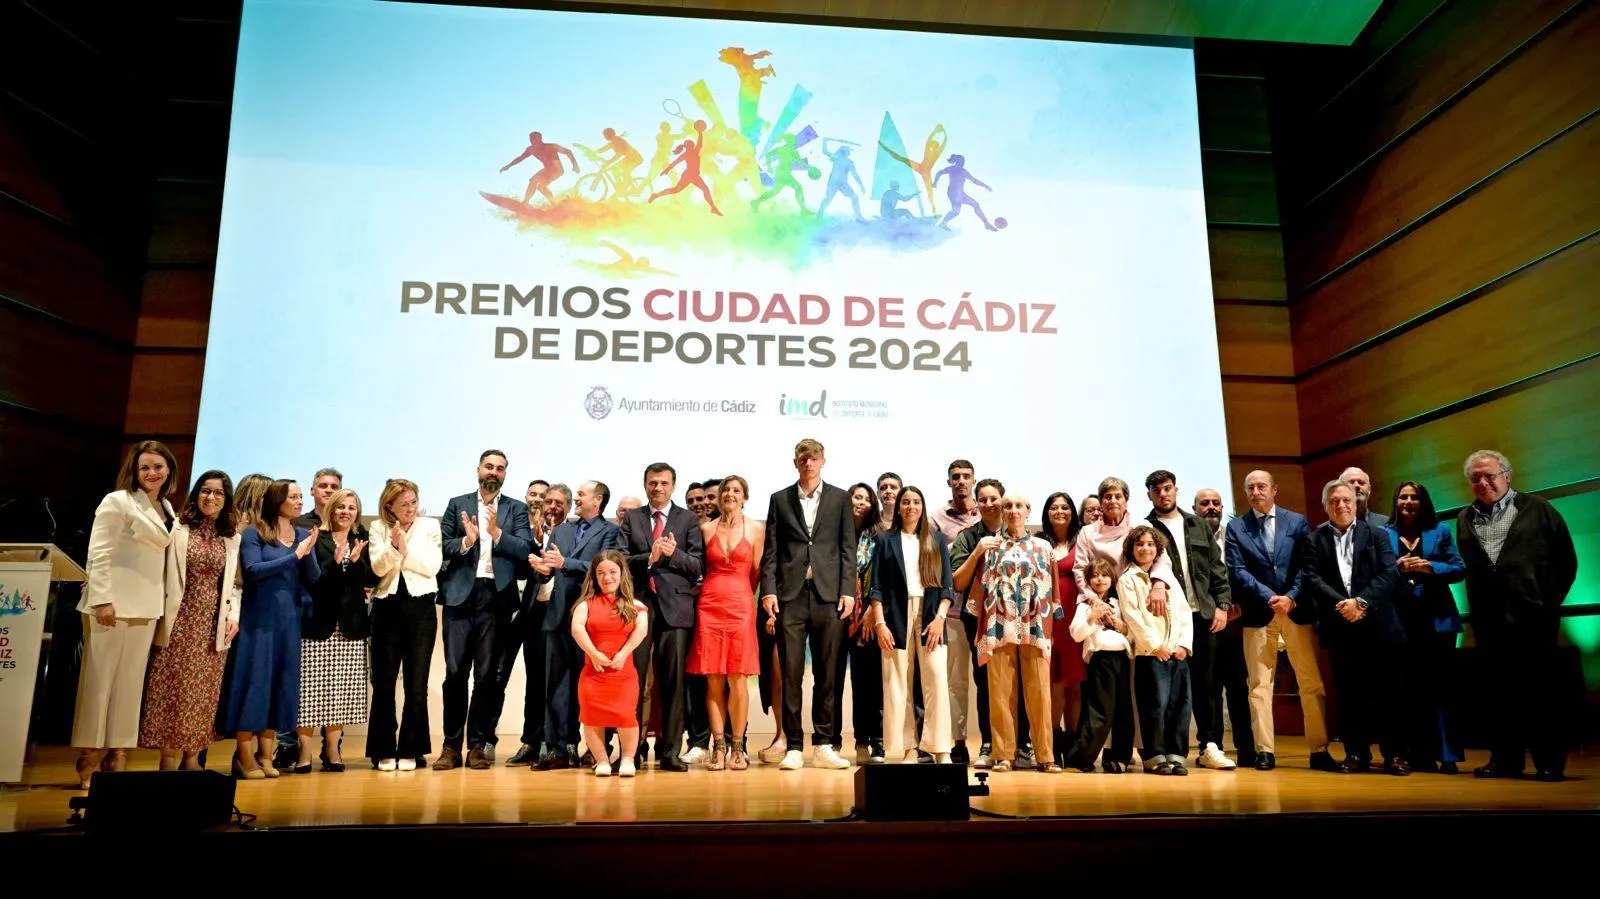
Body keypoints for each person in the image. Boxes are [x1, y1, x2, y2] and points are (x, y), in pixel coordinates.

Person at [1456, 450, 1577, 781]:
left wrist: (1547, 602)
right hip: (1490, 623)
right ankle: (1505, 759)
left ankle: (1549, 763)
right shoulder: (1464, 518)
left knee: (1541, 694)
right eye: (1476, 478)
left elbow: (1566, 560)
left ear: (1506, 475)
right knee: (1499, 694)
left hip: (1534, 620)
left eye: (1490, 475)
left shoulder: (1537, 509)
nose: (1483, 482)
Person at [72, 441, 181, 788]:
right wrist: (102, 599)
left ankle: (118, 754)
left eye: (158, 467)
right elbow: (98, 552)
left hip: (147, 607)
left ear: (169, 472)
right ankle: (88, 757)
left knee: (131, 687)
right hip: (112, 606)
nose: (152, 473)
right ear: (134, 471)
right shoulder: (117, 501)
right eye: (145, 467)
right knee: (99, 682)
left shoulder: (167, 508)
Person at [1225, 470, 1333, 772]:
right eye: (1250, 487)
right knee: (1259, 686)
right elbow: (1237, 570)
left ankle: (1319, 749)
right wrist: (1270, 596)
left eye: (1261, 486)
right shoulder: (1236, 527)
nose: (1255, 491)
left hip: (1296, 611)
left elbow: (1306, 565)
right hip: (1260, 614)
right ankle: (1265, 751)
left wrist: (1291, 597)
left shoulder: (1296, 521)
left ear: (1274, 489)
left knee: (1310, 683)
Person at [759, 438, 856, 771]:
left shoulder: (841, 498)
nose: (808, 463)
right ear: (795, 462)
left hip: (829, 594)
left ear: (823, 461)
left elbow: (847, 549)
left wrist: (849, 591)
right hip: (791, 595)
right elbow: (771, 550)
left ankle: (825, 743)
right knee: (790, 672)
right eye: (803, 457)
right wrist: (769, 591)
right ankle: (794, 745)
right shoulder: (779, 499)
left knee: (828, 672)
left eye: (813, 457)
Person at [436, 450, 534, 770]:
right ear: (478, 469)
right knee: (454, 674)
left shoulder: (516, 509)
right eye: (489, 467)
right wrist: (466, 541)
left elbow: (524, 549)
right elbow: (444, 544)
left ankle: (477, 745)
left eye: (500, 469)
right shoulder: (457, 504)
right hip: (460, 597)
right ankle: (451, 746)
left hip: (496, 598)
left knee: (486, 677)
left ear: (505, 474)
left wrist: (497, 535)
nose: (494, 472)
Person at [139, 468, 239, 774]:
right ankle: (168, 760)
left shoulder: (231, 536)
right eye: (206, 491)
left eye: (219, 492)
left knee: (204, 693)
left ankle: (192, 758)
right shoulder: (177, 528)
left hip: (213, 623)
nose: (212, 497)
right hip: (179, 618)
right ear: (197, 494)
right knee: (171, 689)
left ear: (226, 499)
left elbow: (235, 583)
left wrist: (234, 615)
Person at [1303, 480, 1404, 774]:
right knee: (1349, 696)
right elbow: (1312, 578)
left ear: (1356, 503)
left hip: (1379, 627)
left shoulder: (1378, 535)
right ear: (1325, 506)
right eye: (1334, 501)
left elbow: (1388, 573)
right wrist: (1343, 604)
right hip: (1341, 628)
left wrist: (1361, 602)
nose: (1341, 505)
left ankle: (1395, 755)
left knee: (1389, 694)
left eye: (1346, 500)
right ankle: (1356, 754)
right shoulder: (1313, 539)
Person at [221, 479, 320, 779]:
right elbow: (252, 571)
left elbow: (313, 577)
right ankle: (244, 756)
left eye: (302, 496)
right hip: (259, 614)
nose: (300, 501)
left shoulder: (302, 534)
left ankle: (266, 755)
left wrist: (309, 552)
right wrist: (296, 555)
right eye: (294, 496)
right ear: (277, 500)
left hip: (290, 616)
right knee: (255, 680)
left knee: (281, 683)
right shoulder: (255, 532)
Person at [1145, 471, 1235, 771]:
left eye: (1167, 488)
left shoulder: (1196, 523)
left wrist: (1222, 605)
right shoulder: (1146, 527)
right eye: (1156, 490)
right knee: (1171, 689)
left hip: (1204, 614)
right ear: (1150, 495)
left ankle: (1210, 746)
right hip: (1169, 619)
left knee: (1207, 684)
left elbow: (1216, 568)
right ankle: (1172, 749)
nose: (1163, 494)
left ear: (1176, 490)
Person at [618, 463, 705, 771]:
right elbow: (621, 560)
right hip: (639, 607)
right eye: (652, 483)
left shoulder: (688, 519)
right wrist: (650, 558)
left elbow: (697, 565)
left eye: (664, 483)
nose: (658, 488)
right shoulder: (632, 518)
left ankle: (670, 751)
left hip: (676, 609)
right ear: (645, 485)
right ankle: (631, 750)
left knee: (673, 682)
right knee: (633, 682)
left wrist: (672, 554)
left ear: (673, 485)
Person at [969, 493, 1062, 773]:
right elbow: (980, 588)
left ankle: (1046, 756)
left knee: (1040, 692)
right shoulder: (991, 547)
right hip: (1000, 624)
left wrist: (1049, 625)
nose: (1012, 510)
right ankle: (1003, 755)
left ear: (1028, 511)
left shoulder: (1044, 547)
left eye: (1018, 506)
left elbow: (1053, 591)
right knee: (999, 692)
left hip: (1034, 625)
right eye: (1007, 506)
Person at [532, 481, 619, 769]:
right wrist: (544, 570)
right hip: (558, 616)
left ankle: (596, 750)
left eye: (581, 494)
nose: (577, 499)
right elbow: (551, 569)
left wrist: (563, 562)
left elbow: (603, 567)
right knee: (556, 686)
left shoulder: (610, 531)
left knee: (595, 686)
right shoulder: (562, 529)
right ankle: (559, 749)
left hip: (593, 619)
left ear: (598, 500)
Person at [1383, 480, 1466, 773]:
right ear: (1396, 501)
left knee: (1441, 690)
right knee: (1405, 691)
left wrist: (1429, 567)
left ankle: (1448, 755)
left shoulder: (1440, 531)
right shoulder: (1384, 533)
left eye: (1414, 497)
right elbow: (1376, 573)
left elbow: (1458, 568)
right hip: (1399, 623)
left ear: (1424, 501)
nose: (1408, 501)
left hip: (1437, 621)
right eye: (1402, 496)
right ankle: (1414, 754)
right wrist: (1398, 568)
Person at [870, 486, 955, 764]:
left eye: (916, 502)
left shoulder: (936, 539)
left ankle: (940, 747)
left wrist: (940, 619)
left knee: (936, 681)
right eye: (905, 502)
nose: (910, 507)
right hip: (895, 616)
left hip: (931, 616)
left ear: (923, 506)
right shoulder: (885, 540)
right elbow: (877, 587)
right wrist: (880, 623)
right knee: (897, 683)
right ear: (899, 507)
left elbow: (946, 587)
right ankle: (907, 748)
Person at [295, 488, 374, 773]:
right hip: (318, 621)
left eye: (351, 508)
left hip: (350, 625)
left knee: (340, 691)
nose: (345, 512)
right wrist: (334, 561)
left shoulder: (361, 539)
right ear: (331, 509)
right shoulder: (317, 537)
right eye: (341, 507)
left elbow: (368, 579)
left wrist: (353, 563)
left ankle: (332, 751)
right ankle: (304, 753)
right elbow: (312, 580)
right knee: (309, 691)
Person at [688, 475, 764, 770]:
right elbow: (699, 566)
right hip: (710, 606)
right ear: (719, 497)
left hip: (741, 605)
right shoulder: (706, 528)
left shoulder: (756, 528)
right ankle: (718, 748)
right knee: (714, 678)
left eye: (736, 490)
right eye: (726, 490)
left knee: (738, 678)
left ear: (745, 496)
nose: (730, 494)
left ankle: (737, 747)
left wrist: (744, 596)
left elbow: (756, 571)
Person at [366, 479, 442, 772]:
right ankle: (383, 748)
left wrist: (404, 550)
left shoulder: (429, 526)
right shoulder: (378, 528)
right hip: (386, 608)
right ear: (390, 507)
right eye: (403, 505)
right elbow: (378, 568)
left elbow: (431, 566)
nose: (410, 509)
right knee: (383, 684)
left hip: (420, 609)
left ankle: (411, 748)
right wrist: (394, 550)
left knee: (416, 684)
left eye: (413, 502)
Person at [1119, 526, 1195, 775]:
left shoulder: (1166, 579)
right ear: (1131, 549)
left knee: (1179, 704)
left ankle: (1176, 754)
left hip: (1176, 652)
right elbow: (1133, 617)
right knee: (1155, 705)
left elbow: (1183, 612)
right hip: (1150, 653)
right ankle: (1154, 755)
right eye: (1139, 544)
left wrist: (1183, 644)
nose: (1145, 548)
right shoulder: (1127, 579)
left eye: (1150, 544)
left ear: (1157, 550)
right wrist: (1155, 646)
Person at [572, 551, 651, 776]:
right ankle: (602, 760)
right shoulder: (585, 605)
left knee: (626, 716)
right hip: (593, 674)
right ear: (594, 577)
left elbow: (641, 630)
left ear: (622, 574)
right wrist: (594, 653)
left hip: (623, 674)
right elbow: (577, 629)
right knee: (591, 716)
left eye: (613, 572)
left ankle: (627, 759)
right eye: (601, 573)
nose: (607, 577)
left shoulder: (636, 605)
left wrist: (623, 653)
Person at [494, 478, 554, 765]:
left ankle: (535, 741)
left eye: (545, 495)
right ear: (525, 497)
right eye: (534, 494)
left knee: (537, 680)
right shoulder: (511, 526)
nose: (539, 499)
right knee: (495, 676)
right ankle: (485, 742)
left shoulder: (555, 532)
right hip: (505, 609)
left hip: (535, 613)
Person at [949, 478, 1008, 767]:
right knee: (985, 681)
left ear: (1003, 499)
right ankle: (988, 743)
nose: (988, 504)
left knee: (1015, 681)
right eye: (982, 499)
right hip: (979, 620)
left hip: (1015, 619)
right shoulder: (967, 536)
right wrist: (977, 552)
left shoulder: (1017, 531)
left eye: (993, 498)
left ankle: (1018, 744)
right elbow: (957, 582)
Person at [1194, 487, 1253, 765]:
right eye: (1204, 504)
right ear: (1195, 509)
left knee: (1239, 689)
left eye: (1216, 503)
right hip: (1206, 624)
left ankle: (1247, 749)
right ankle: (1211, 745)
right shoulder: (1190, 536)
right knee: (1208, 689)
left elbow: (1247, 574)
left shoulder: (1236, 537)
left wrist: (1238, 607)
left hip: (1237, 625)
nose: (1211, 508)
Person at [1064, 558, 1134, 772]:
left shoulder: (1120, 602)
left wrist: (1119, 624)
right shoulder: (1084, 605)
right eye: (1094, 575)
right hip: (1100, 659)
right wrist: (1092, 617)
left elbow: (1132, 632)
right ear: (1088, 580)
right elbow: (1075, 634)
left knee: (1123, 709)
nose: (1099, 579)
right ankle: (1079, 758)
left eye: (1104, 575)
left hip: (1121, 658)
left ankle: (1119, 757)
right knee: (1099, 711)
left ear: (1112, 578)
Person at [840, 483, 885, 764]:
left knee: (868, 683)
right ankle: (838, 743)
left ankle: (872, 741)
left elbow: (883, 577)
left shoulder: (880, 537)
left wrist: (870, 610)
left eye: (867, 499)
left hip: (866, 617)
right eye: (857, 497)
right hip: (835, 615)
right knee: (832, 681)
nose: (862, 503)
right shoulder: (833, 534)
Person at [1039, 492, 1084, 763]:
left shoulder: (1083, 540)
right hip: (1048, 618)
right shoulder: (1038, 542)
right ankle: (1053, 741)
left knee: (1075, 683)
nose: (1059, 511)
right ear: (1046, 513)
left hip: (1076, 616)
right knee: (1054, 682)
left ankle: (1075, 743)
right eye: (1054, 507)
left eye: (1065, 507)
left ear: (1072, 512)